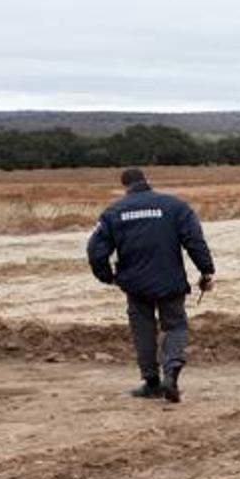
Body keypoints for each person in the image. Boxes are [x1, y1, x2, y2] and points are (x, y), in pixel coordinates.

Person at [86, 168, 215, 403]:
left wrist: (108, 276)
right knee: (175, 326)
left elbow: (95, 250)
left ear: (125, 185)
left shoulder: (114, 212)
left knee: (142, 330)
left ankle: (152, 382)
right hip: (170, 281)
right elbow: (194, 240)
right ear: (147, 181)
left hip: (135, 284)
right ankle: (172, 372)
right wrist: (206, 270)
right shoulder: (175, 206)